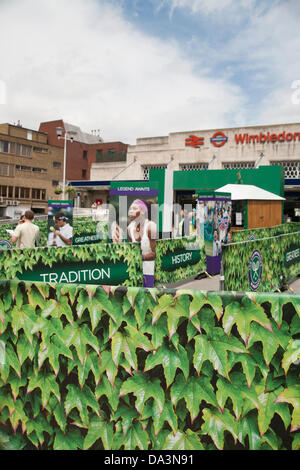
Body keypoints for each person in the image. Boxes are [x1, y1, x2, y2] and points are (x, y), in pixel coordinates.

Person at [127, 199, 156, 288]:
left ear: (143, 211)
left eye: (134, 208)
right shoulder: (129, 228)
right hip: (136, 273)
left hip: (151, 272)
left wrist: (140, 257)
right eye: (130, 209)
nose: (131, 211)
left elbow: (156, 254)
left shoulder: (151, 227)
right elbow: (132, 250)